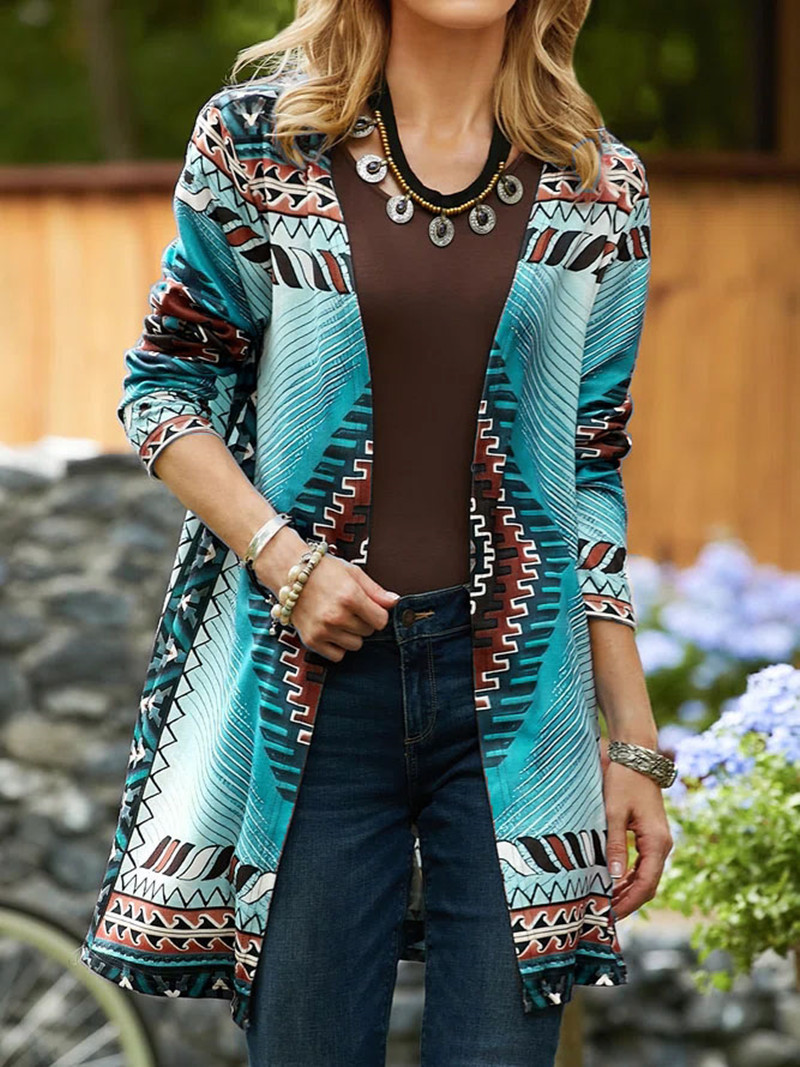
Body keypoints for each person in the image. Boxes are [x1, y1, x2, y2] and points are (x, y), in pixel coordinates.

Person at [80, 1, 676, 1064]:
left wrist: (630, 740)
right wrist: (286, 559)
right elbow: (164, 389)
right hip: (313, 692)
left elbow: (590, 464)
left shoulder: (599, 184)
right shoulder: (261, 144)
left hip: (523, 710)